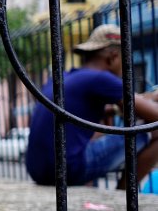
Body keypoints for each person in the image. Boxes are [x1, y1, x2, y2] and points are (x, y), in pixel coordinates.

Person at [25, 23, 158, 189]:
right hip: (68, 170)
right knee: (155, 130)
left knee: (90, 135)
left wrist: (144, 99)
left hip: (38, 170)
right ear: (113, 57)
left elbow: (118, 109)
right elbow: (154, 117)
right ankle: (125, 197)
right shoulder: (101, 79)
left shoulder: (63, 78)